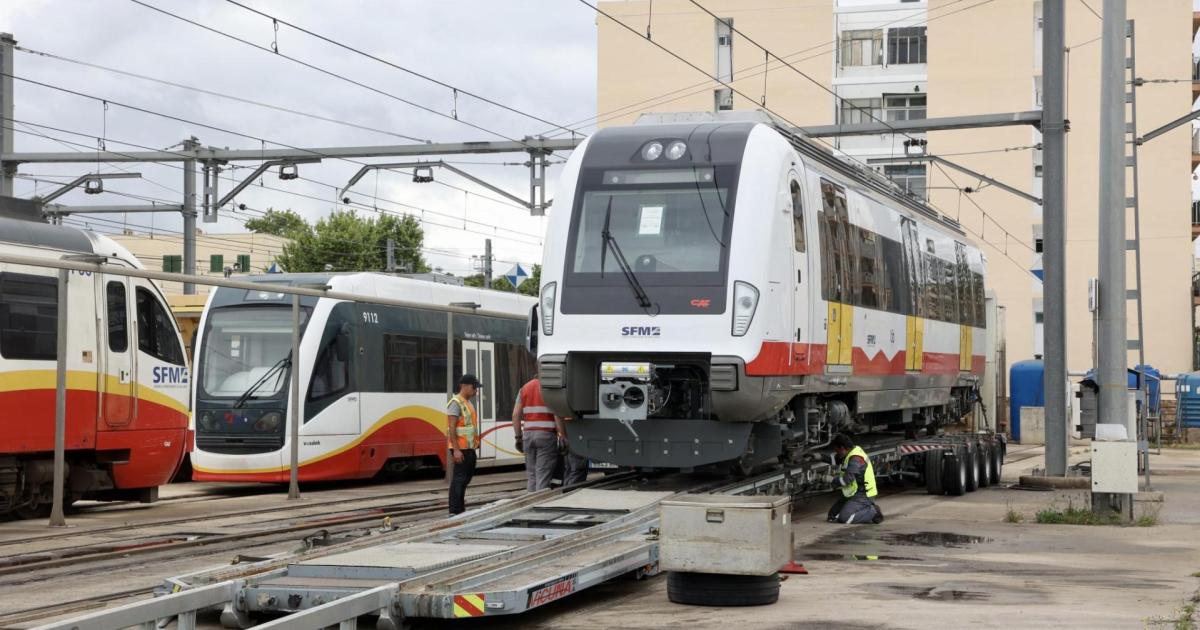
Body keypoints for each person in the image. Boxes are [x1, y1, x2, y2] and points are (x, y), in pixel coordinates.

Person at [512, 377, 561, 491]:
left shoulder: (524, 388)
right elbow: (557, 415)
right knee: (543, 475)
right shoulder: (550, 389)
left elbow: (515, 415)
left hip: (528, 435)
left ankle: (530, 501)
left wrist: (518, 437)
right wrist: (562, 435)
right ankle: (538, 504)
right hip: (546, 436)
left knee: (532, 475)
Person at [826, 433, 884, 524]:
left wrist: (831, 480)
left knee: (845, 518)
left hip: (864, 494)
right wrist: (818, 456)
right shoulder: (850, 451)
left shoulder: (855, 459)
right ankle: (860, 507)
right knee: (832, 516)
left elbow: (846, 480)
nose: (837, 453)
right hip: (853, 492)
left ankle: (873, 511)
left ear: (842, 448)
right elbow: (836, 459)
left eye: (837, 450)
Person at [446, 374, 482, 515]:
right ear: (464, 386)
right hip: (460, 449)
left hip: (469, 448)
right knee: (459, 479)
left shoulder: (468, 403)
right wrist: (456, 450)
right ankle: (455, 510)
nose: (475, 391)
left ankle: (460, 509)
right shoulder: (455, 403)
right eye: (474, 388)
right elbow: (452, 428)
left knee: (465, 479)